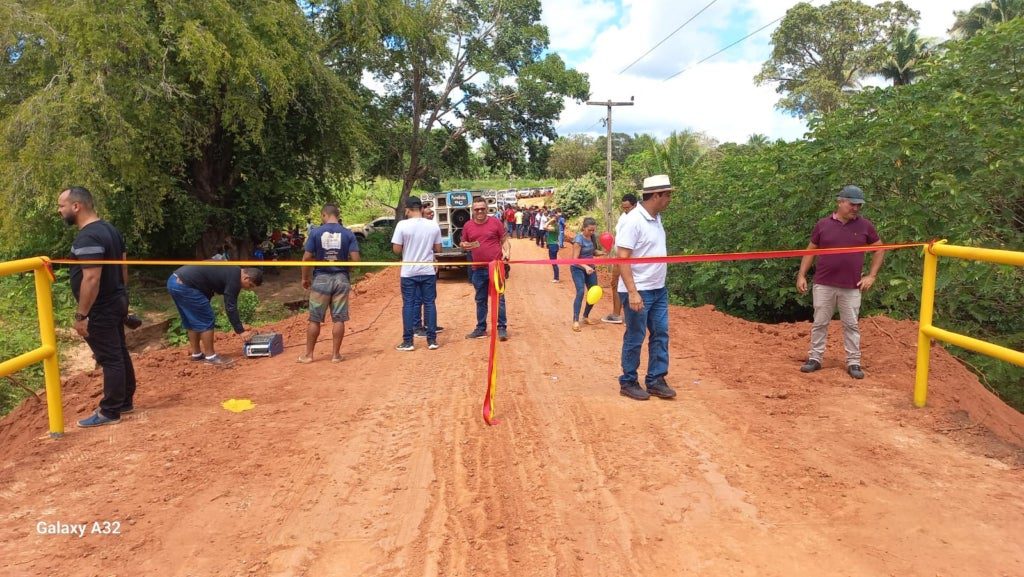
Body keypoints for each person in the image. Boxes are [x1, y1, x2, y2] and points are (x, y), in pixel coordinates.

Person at [58, 186, 138, 428]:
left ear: (76, 206)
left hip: (101, 307)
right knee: (119, 352)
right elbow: (123, 267)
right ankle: (123, 401)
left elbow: (91, 278)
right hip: (115, 300)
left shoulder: (89, 236)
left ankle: (110, 411)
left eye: (61, 206)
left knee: (110, 357)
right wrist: (123, 298)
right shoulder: (110, 229)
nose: (59, 211)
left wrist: (81, 315)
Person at [796, 185, 884, 379]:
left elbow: (880, 248)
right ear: (840, 202)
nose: (856, 208)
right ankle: (815, 358)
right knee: (820, 322)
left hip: (851, 286)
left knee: (851, 325)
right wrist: (801, 274)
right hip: (823, 284)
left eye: (859, 205)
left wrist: (872, 275)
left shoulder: (865, 226)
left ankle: (854, 362)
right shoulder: (822, 225)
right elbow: (811, 250)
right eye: (852, 204)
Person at [617, 175, 676, 401]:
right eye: (667, 194)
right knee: (635, 335)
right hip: (638, 290)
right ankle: (628, 381)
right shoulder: (634, 221)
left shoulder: (656, 217)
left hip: (658, 288)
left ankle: (656, 379)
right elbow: (622, 258)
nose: (669, 199)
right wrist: (632, 292)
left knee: (660, 333)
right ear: (656, 195)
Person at [298, 203, 360, 363]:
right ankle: (335, 355)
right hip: (341, 278)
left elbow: (306, 258)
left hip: (321, 278)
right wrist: (347, 271)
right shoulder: (348, 234)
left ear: (324, 215)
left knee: (314, 319)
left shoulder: (315, 232)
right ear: (338, 216)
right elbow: (356, 260)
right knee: (339, 318)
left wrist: (305, 278)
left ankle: (309, 355)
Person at [168, 264, 262, 366]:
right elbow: (231, 307)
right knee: (207, 318)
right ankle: (211, 357)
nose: (248, 288)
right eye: (250, 285)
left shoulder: (231, 270)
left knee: (192, 319)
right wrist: (240, 331)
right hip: (185, 285)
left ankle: (197, 355)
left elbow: (208, 283)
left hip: (174, 282)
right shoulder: (234, 279)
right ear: (246, 278)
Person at [392, 197, 443, 351]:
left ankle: (408, 342)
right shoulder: (432, 225)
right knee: (430, 303)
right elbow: (438, 249)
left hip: (409, 271)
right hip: (427, 270)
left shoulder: (402, 225)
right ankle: (432, 340)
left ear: (407, 209)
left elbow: (397, 250)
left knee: (408, 304)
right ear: (421, 208)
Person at [460, 196, 510, 341]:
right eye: (477, 209)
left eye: (482, 208)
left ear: (486, 209)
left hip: (496, 267)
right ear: (473, 210)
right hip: (478, 269)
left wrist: (507, 252)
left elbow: (504, 241)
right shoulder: (468, 226)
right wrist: (464, 245)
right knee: (480, 299)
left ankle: (501, 328)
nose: (480, 211)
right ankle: (481, 328)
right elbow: (463, 242)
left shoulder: (495, 223)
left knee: (499, 298)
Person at [602, 194, 638, 324]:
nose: (625, 209)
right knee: (615, 284)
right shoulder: (624, 217)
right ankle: (617, 314)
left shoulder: (637, 219)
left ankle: (631, 318)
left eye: (627, 207)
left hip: (628, 258)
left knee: (630, 286)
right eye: (623, 207)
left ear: (635, 205)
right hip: (619, 257)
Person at [570, 217, 604, 331]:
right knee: (580, 292)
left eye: (593, 230)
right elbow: (575, 259)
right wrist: (585, 266)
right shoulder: (578, 240)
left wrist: (604, 252)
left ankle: (585, 316)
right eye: (589, 230)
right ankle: (575, 320)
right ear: (584, 228)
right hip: (578, 268)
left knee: (594, 291)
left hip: (591, 268)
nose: (592, 232)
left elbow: (593, 251)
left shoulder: (592, 237)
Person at [545, 209, 562, 283]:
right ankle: (556, 277)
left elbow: (544, 227)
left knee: (554, 262)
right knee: (553, 262)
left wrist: (550, 220)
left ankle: (556, 278)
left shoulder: (554, 227)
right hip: (553, 245)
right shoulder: (555, 226)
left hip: (553, 246)